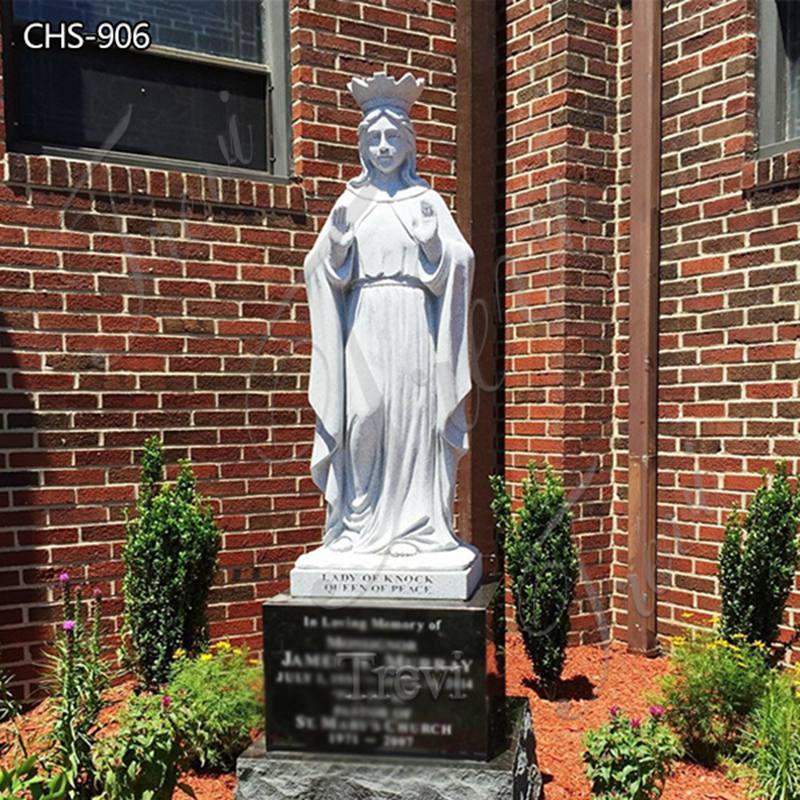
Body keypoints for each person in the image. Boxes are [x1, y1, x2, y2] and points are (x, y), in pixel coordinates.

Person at [299, 71, 476, 570]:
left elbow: (461, 262)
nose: (382, 147)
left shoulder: (426, 201)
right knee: (364, 415)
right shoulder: (350, 203)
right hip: (364, 323)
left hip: (414, 324)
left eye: (392, 137)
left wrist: (434, 245)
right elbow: (317, 269)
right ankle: (355, 525)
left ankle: (415, 527)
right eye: (374, 138)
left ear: (408, 143)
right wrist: (336, 250)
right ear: (362, 145)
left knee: (410, 422)